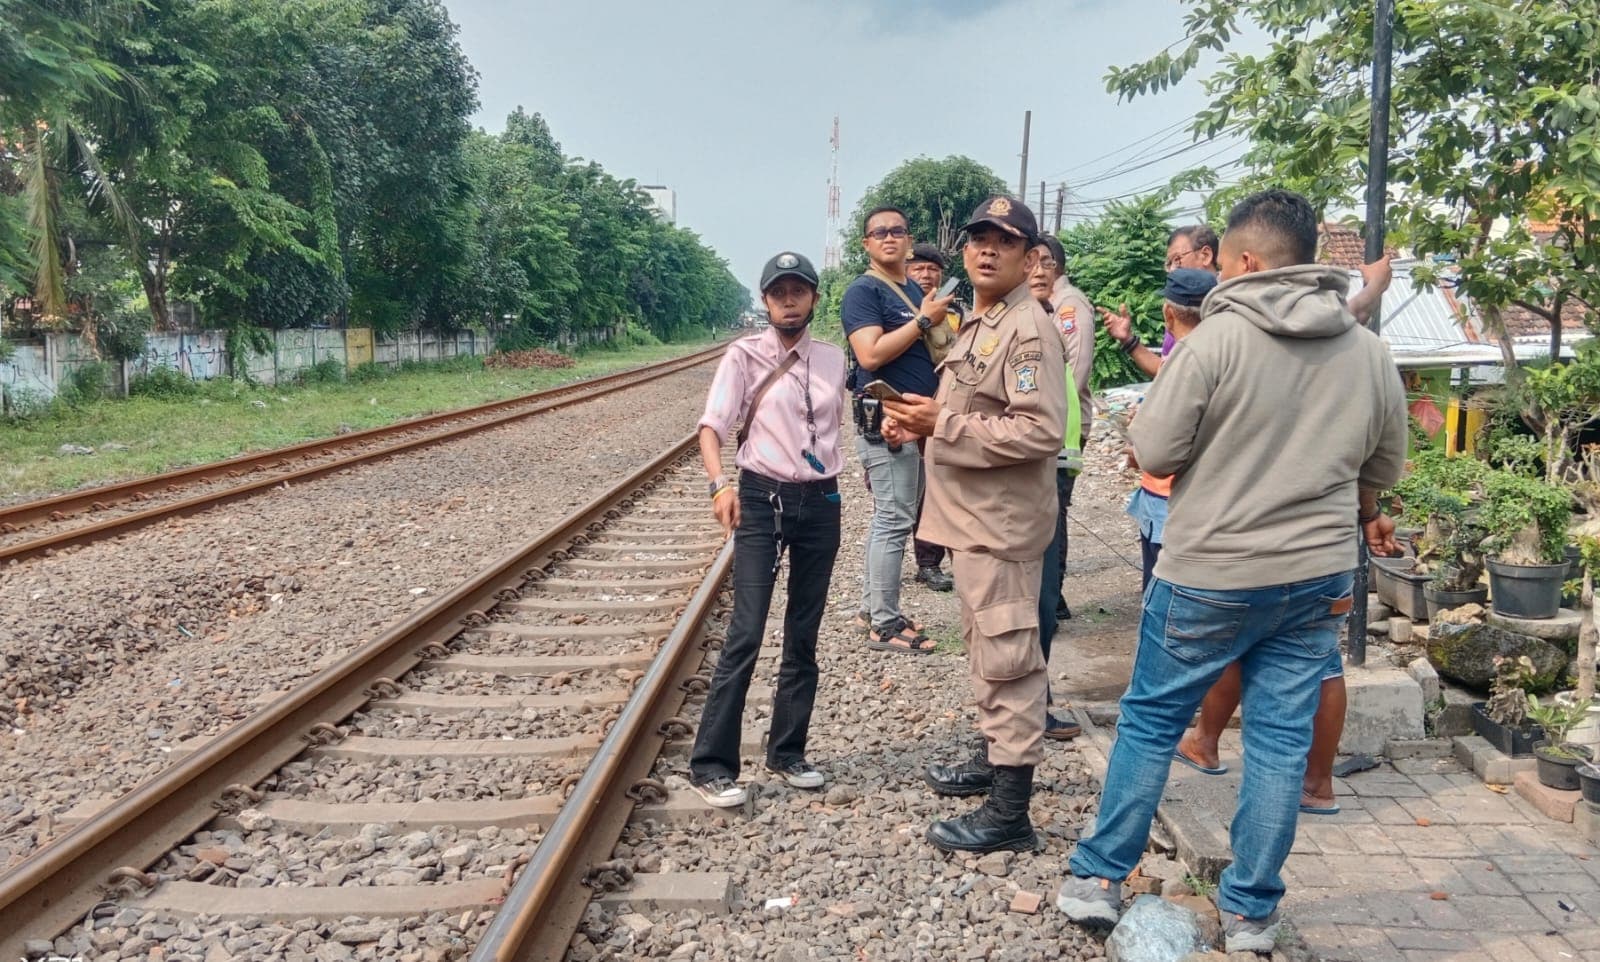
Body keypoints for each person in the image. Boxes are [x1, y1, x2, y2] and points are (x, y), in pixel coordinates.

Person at [1055, 189, 1408, 953]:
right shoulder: (1368, 352)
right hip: (1315, 579)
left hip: (1211, 570)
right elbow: (1379, 470)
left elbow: (1153, 452)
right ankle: (1250, 913)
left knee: (1150, 721)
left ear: (1244, 263)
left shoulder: (1215, 343)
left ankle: (1097, 878)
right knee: (1280, 741)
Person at [880, 196, 1066, 853]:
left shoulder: (1027, 329)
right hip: (974, 522)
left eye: (1005, 242)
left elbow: (1041, 429)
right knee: (990, 654)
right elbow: (970, 406)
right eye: (978, 239)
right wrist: (921, 415)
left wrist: (945, 425)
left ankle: (1010, 815)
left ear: (1028, 257)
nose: (987, 250)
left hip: (1001, 525)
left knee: (1009, 661)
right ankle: (994, 763)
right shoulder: (984, 321)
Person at [688, 251, 847, 809]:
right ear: (764, 300)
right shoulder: (743, 355)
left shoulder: (833, 359)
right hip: (761, 496)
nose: (787, 299)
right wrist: (719, 485)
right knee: (747, 630)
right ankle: (711, 764)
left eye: (798, 290)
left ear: (813, 299)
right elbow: (711, 428)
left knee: (804, 632)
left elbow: (839, 426)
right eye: (778, 291)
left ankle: (787, 750)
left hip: (822, 501)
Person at [842, 208, 953, 654]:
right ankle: (885, 626)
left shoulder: (910, 287)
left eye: (897, 231)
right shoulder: (863, 291)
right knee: (895, 518)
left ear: (909, 240)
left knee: (890, 515)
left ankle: (875, 609)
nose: (890, 238)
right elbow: (869, 356)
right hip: (886, 420)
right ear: (867, 244)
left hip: (912, 422)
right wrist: (923, 321)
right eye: (879, 233)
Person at [1028, 234, 1091, 742]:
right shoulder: (1007, 319)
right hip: (1017, 467)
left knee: (1042, 590)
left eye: (1047, 262)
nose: (1039, 270)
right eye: (1031, 261)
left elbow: (1073, 378)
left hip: (1050, 461)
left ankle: (1033, 703)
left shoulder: (1063, 313)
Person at [905, 243, 962, 593]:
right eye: (918, 269)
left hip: (949, 412)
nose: (926, 276)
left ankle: (939, 559)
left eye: (932, 270)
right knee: (914, 491)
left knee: (945, 486)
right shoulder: (900, 310)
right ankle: (922, 561)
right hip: (910, 411)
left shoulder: (958, 312)